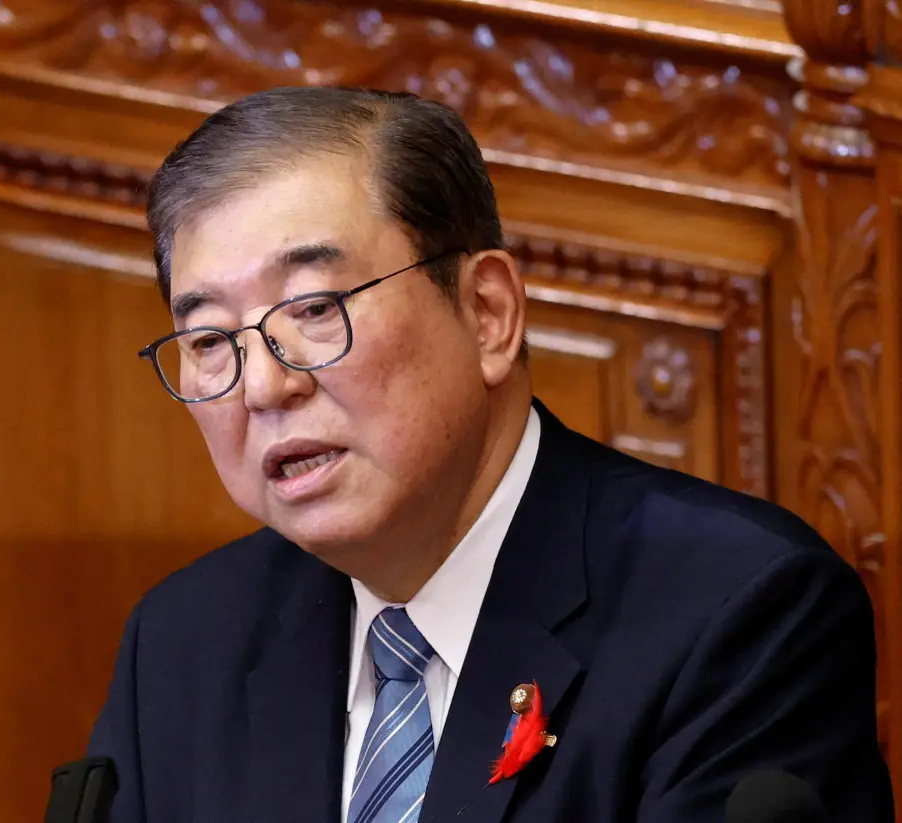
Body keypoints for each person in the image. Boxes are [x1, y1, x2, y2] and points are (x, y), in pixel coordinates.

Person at [85, 87, 894, 822]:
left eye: (315, 309)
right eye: (208, 340)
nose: (261, 385)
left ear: (487, 312)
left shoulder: (737, 617)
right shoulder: (188, 641)